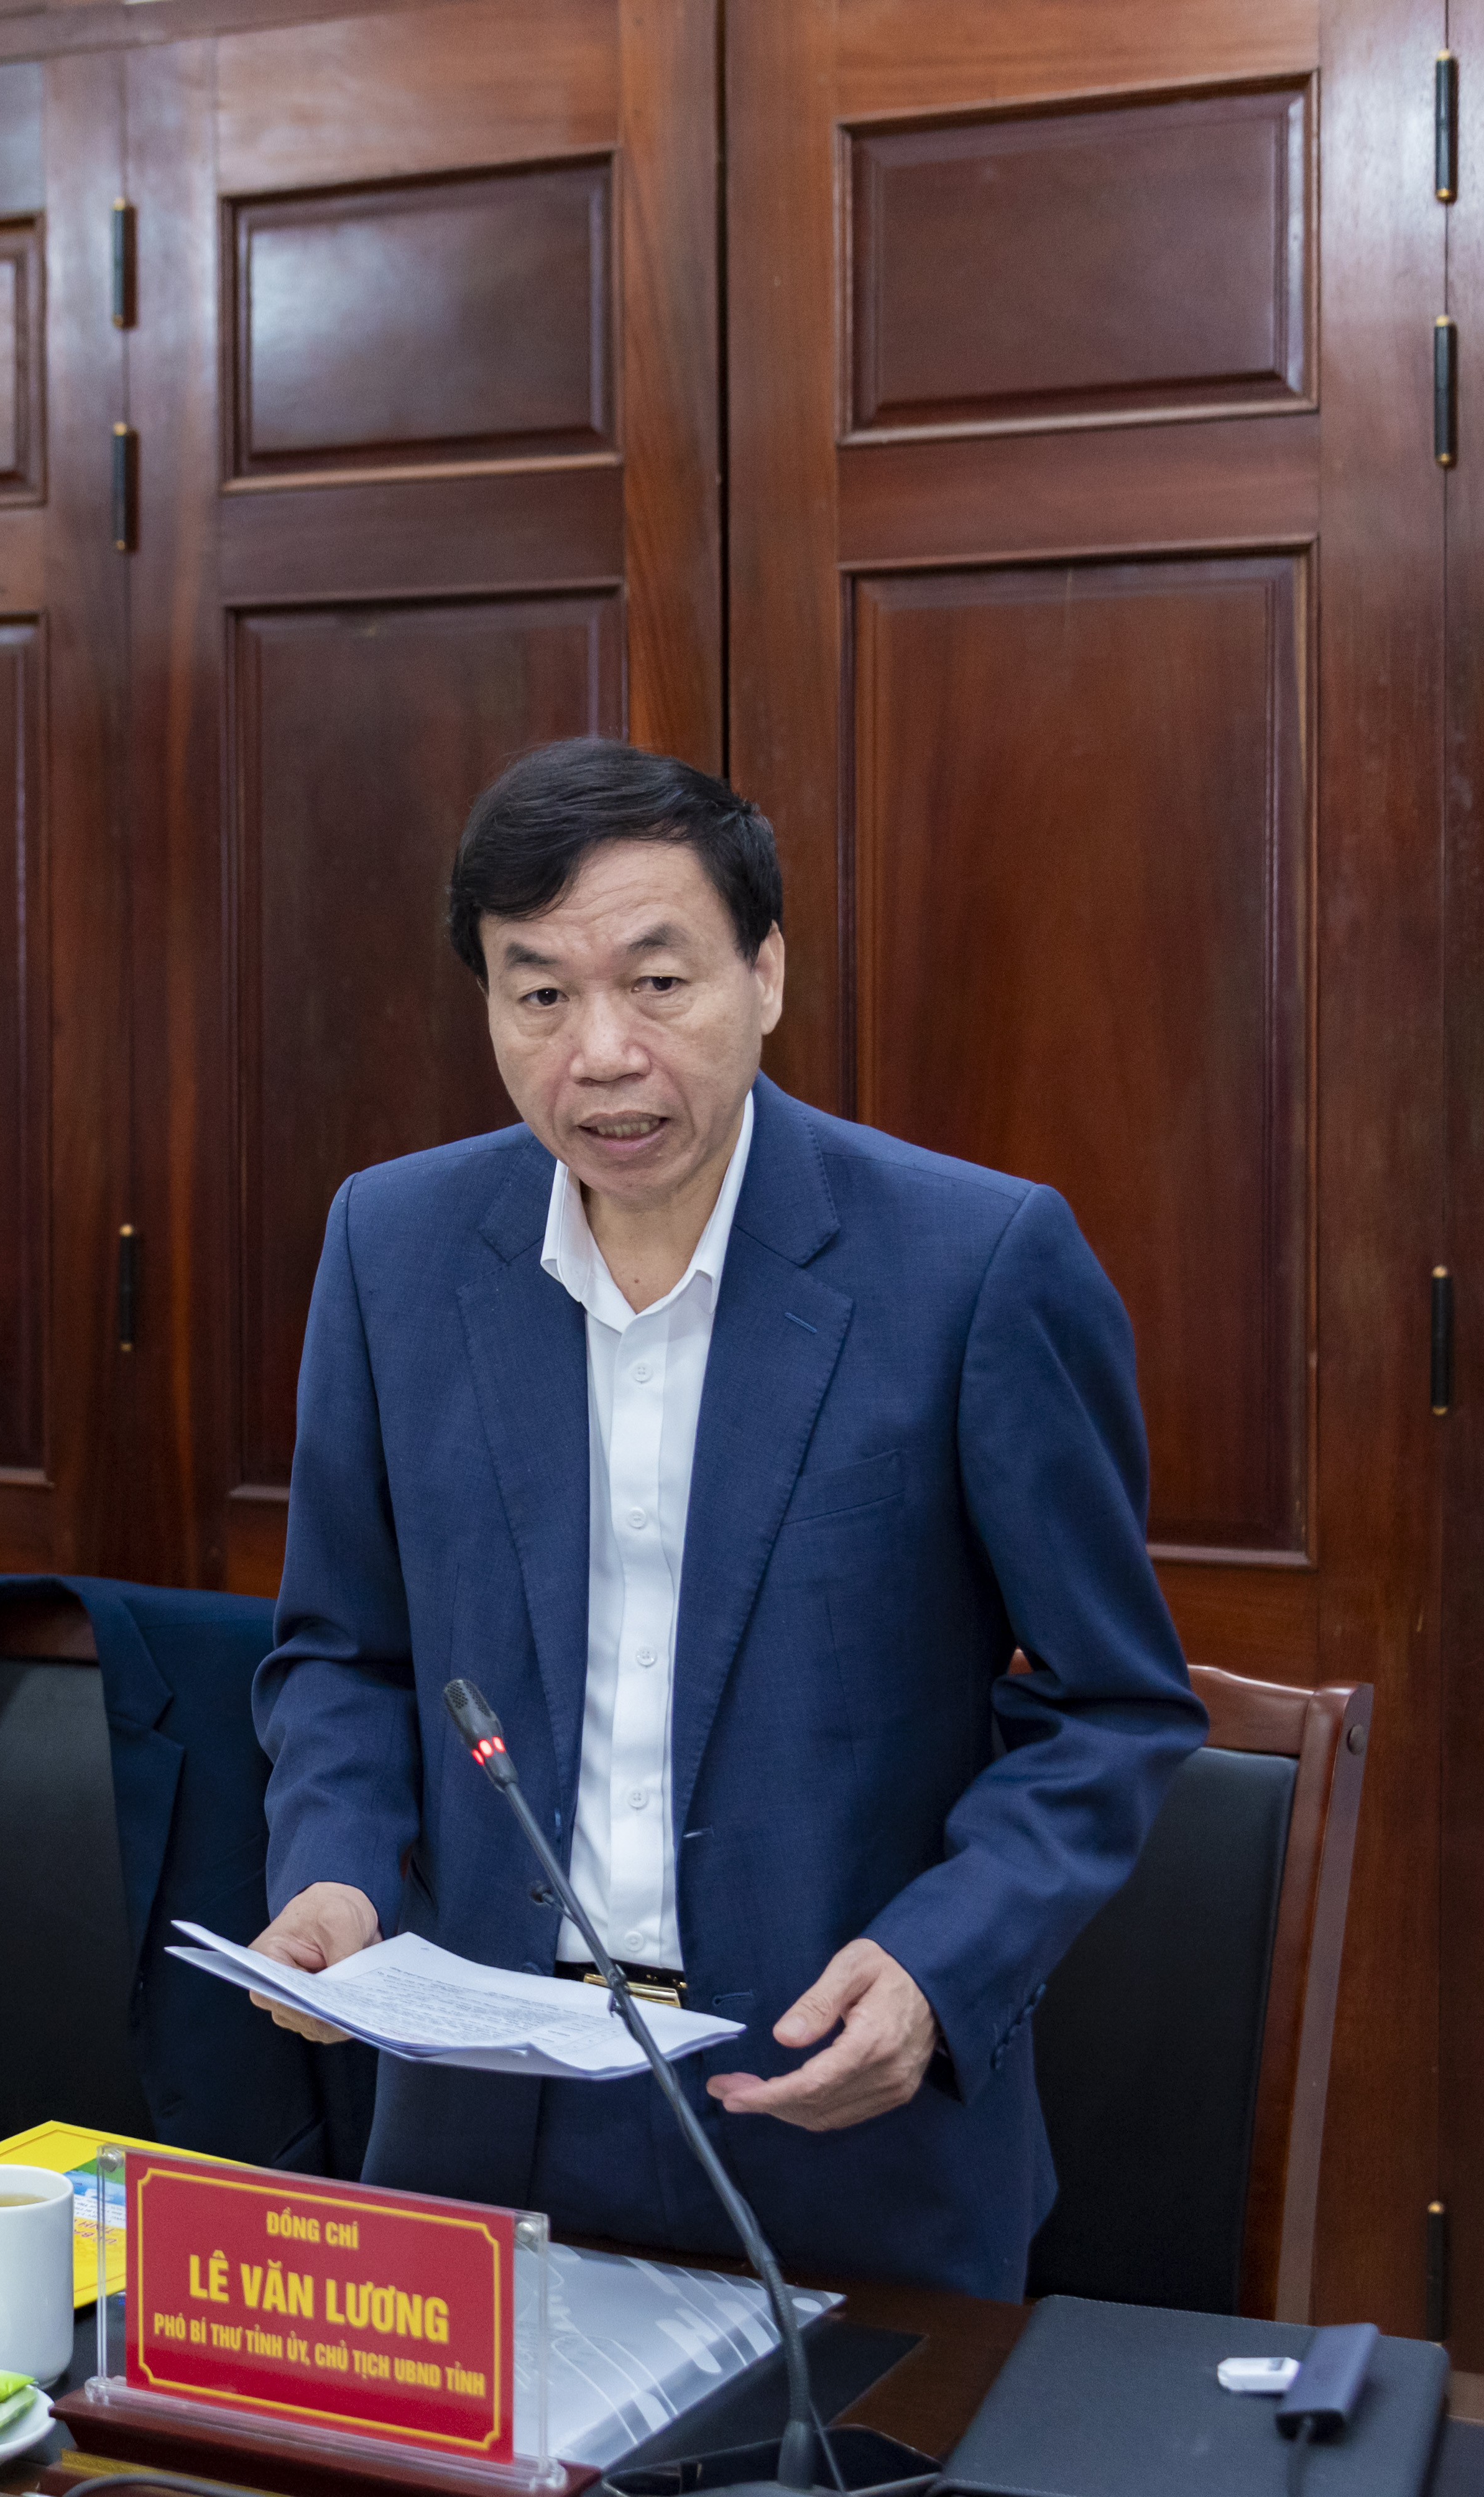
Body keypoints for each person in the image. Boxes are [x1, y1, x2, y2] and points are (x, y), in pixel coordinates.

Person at [247, 739, 1205, 2301]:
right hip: (480, 2125)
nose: (600, 1052)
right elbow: (343, 1650)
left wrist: (937, 1966)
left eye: (657, 981)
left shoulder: (971, 1264)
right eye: (537, 992)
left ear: (763, 973)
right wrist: (337, 1870)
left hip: (831, 2116)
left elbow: (1111, 1704)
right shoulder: (391, 1245)